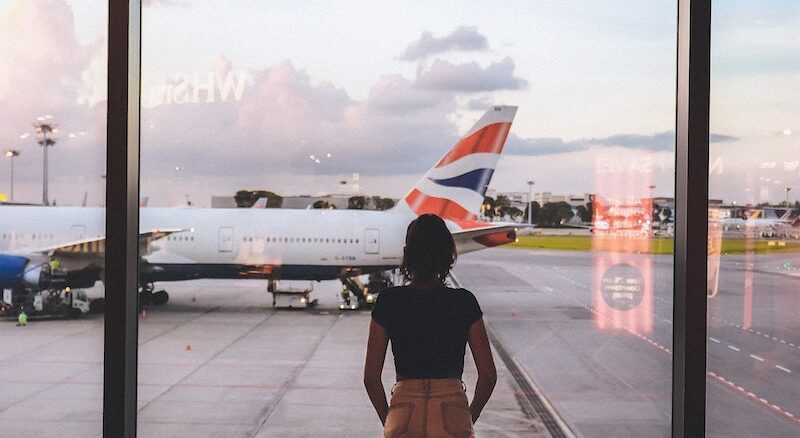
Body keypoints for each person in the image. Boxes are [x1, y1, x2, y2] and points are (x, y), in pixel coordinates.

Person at [364, 214, 497, 437]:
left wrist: (389, 419)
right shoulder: (464, 302)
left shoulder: (389, 301)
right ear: (448, 256)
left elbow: (370, 377)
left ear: (407, 256)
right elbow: (488, 376)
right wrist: (467, 417)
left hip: (404, 408)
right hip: (453, 407)